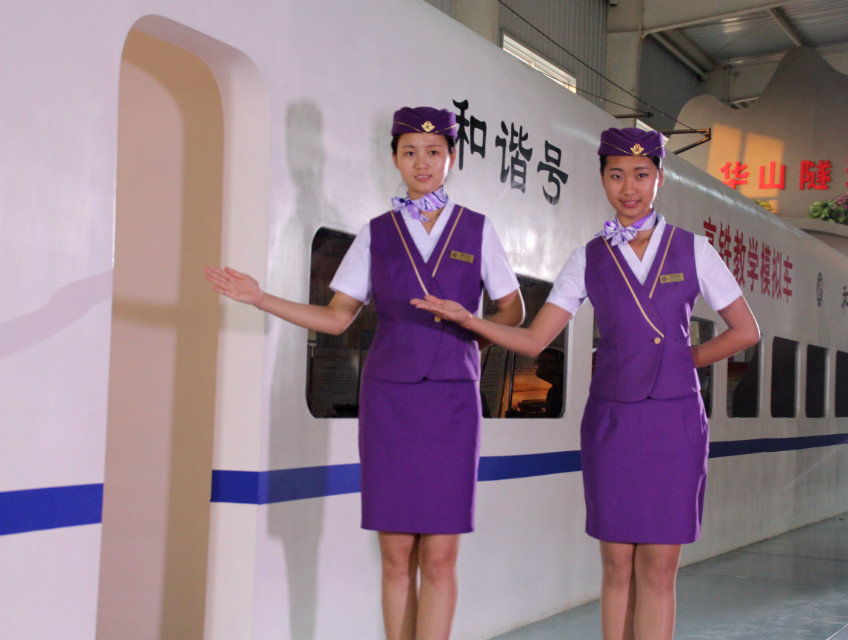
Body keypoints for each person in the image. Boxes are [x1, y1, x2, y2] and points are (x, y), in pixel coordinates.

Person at [412, 127, 760, 640]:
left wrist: (681, 361)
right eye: (616, 175)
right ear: (602, 179)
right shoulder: (588, 258)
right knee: (616, 565)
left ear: (659, 179)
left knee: (659, 568)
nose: (629, 188)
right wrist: (471, 320)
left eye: (641, 175)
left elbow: (746, 331)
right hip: (613, 422)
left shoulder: (695, 250)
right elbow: (534, 340)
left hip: (674, 423)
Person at [204, 106, 523, 640]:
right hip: (390, 403)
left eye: (434, 152)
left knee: (440, 557)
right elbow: (336, 318)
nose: (422, 163)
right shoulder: (377, 233)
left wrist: (470, 328)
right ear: (394, 159)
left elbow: (512, 312)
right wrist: (261, 298)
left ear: (452, 158)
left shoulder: (477, 229)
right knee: (395, 555)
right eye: (409, 152)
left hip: (452, 404)